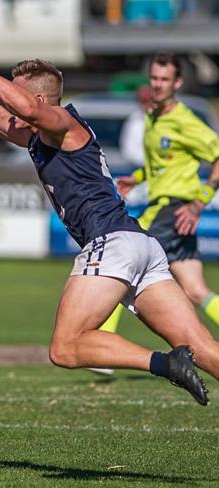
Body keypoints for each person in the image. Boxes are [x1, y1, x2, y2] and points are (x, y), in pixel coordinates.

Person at [0, 29, 219, 405]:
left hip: (112, 243)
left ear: (41, 99)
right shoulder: (37, 137)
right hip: (140, 245)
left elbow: (25, 111)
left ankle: (164, 364)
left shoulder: (65, 123)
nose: (9, 102)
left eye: (16, 92)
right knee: (205, 349)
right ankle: (173, 360)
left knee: (64, 347)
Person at [98, 53, 219, 351]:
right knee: (195, 289)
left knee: (122, 260)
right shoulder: (154, 116)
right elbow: (165, 164)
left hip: (172, 209)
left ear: (178, 83)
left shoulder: (183, 120)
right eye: (154, 78)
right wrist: (137, 178)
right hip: (174, 210)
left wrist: (199, 202)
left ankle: (101, 348)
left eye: (165, 79)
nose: (158, 85)